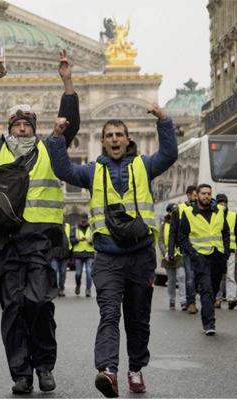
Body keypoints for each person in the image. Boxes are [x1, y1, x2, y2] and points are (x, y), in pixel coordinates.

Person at [48, 89, 178, 398]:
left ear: (128, 139)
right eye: (109, 135)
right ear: (103, 141)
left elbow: (169, 154)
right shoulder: (93, 172)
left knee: (137, 318)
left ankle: (135, 368)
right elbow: (63, 170)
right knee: (109, 313)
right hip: (106, 257)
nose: (115, 139)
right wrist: (55, 139)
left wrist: (164, 121)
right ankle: (108, 370)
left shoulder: (144, 166)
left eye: (120, 134)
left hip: (140, 256)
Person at [0, 49, 78, 394]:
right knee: (13, 308)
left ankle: (44, 364)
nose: (21, 126)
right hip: (5, 241)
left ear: (34, 127)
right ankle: (21, 373)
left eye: (27, 123)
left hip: (39, 240)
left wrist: (66, 80)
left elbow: (70, 120)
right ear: (9, 128)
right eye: (16, 123)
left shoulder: (51, 148)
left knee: (40, 303)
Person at [176, 184, 231, 336]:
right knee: (206, 288)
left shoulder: (219, 211)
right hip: (200, 257)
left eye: (209, 193)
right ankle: (209, 323)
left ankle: (208, 309)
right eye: (203, 193)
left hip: (218, 256)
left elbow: (226, 232)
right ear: (197, 195)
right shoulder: (188, 213)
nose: (206, 196)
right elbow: (182, 237)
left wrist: (226, 252)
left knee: (212, 289)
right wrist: (193, 254)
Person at [171, 185, 201, 314]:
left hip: (202, 249)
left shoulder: (202, 209)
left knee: (199, 277)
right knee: (190, 277)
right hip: (187, 249)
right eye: (194, 195)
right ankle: (191, 303)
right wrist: (171, 251)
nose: (196, 198)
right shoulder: (179, 210)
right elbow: (173, 232)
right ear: (188, 195)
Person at [214, 194, 237, 309]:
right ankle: (218, 299)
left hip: (230, 250)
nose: (223, 204)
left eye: (224, 202)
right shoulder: (213, 215)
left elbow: (236, 234)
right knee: (218, 276)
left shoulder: (232, 215)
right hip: (217, 250)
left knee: (230, 275)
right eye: (220, 202)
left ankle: (231, 299)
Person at [159, 206, 184, 310]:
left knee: (182, 277)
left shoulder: (181, 222)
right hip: (168, 257)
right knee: (171, 280)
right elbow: (160, 240)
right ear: (168, 212)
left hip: (179, 255)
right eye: (171, 211)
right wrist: (165, 252)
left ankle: (183, 301)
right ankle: (172, 300)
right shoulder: (163, 225)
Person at [71, 217, 96, 297]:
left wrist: (91, 241)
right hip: (78, 253)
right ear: (80, 220)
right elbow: (71, 240)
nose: (84, 222)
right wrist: (77, 240)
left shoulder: (92, 228)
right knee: (78, 273)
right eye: (82, 221)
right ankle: (78, 285)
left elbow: (97, 239)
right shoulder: (75, 229)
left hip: (89, 253)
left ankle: (88, 289)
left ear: (87, 220)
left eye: (85, 221)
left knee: (89, 272)